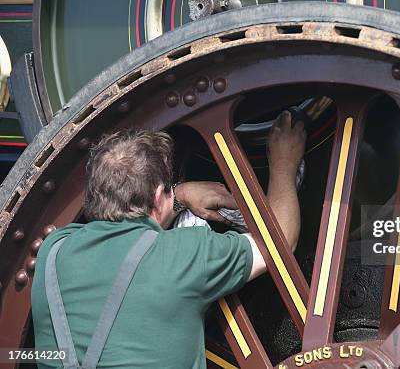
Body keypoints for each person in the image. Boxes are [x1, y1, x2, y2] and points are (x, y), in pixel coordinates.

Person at [30, 110, 306, 369]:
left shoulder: (52, 252)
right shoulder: (185, 254)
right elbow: (279, 242)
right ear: (158, 197)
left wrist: (179, 194)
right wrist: (284, 163)